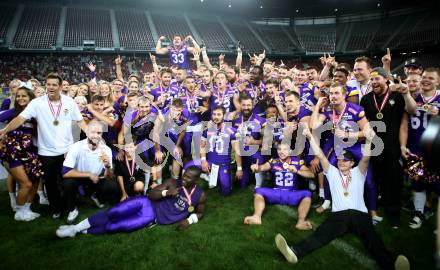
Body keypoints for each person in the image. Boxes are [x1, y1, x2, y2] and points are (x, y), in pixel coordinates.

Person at [274, 127, 410, 270]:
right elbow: (320, 155)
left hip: (359, 214)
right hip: (339, 214)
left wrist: (369, 139)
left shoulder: (358, 172)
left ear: (352, 163)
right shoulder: (332, 172)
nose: (341, 162)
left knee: (372, 239)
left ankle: (392, 265)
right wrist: (308, 136)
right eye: (339, 160)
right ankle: (294, 252)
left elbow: (366, 157)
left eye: (345, 160)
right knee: (322, 234)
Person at [0, 73, 87, 219]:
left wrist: (91, 135)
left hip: (66, 150)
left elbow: (80, 121)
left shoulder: (69, 102)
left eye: (54, 85)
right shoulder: (37, 103)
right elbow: (20, 119)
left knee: (68, 181)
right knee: (51, 184)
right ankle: (57, 209)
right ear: (46, 85)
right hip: (46, 152)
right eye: (48, 84)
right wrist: (4, 130)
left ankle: (72, 207)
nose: (51, 87)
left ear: (60, 87)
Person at [55, 166, 206, 238]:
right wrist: (166, 192)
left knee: (117, 226)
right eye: (184, 175)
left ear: (196, 180)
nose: (184, 179)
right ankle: (74, 228)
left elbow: (199, 212)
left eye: (188, 178)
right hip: (146, 202)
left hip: (151, 218)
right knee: (114, 212)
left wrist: (189, 221)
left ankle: (80, 231)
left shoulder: (200, 195)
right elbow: (151, 194)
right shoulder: (173, 182)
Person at [360, 67, 417, 228]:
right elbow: (365, 123)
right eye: (371, 79)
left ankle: (393, 216)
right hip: (374, 146)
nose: (373, 82)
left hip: (392, 147)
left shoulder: (398, 96)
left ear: (386, 79)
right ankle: (373, 210)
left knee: (392, 182)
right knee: (374, 180)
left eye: (377, 79)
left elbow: (412, 111)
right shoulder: (365, 99)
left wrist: (406, 93)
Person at [244, 143, 314, 230]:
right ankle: (256, 217)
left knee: (307, 194)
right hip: (277, 192)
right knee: (258, 191)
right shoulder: (274, 161)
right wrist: (256, 167)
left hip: (292, 194)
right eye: (279, 149)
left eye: (285, 149)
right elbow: (262, 167)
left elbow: (311, 174)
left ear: (290, 152)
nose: (281, 152)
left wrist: (297, 171)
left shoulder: (297, 162)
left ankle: (301, 221)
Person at [0, 86, 44, 221]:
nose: (20, 98)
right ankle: (19, 213)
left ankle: (27, 210)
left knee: (35, 181)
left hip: (31, 152)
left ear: (31, 98)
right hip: (13, 152)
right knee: (26, 184)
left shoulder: (37, 114)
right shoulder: (13, 112)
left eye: (24, 96)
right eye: (18, 96)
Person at [62, 120, 117, 224]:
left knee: (112, 186)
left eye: (99, 133)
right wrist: (89, 175)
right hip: (79, 177)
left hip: (96, 178)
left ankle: (96, 195)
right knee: (67, 183)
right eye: (93, 132)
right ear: (86, 132)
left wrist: (108, 166)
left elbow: (109, 176)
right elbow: (65, 172)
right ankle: (72, 209)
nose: (96, 135)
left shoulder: (106, 149)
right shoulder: (76, 146)